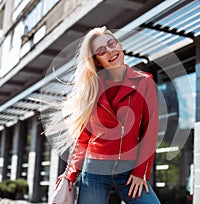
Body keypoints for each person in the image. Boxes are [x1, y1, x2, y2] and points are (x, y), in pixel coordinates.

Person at [63, 26, 160, 204]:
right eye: (101, 51)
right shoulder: (91, 89)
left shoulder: (144, 82)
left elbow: (150, 130)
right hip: (95, 170)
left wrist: (140, 172)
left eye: (111, 43)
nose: (109, 51)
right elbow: (83, 138)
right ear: (97, 61)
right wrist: (69, 176)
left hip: (129, 171)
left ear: (119, 45)